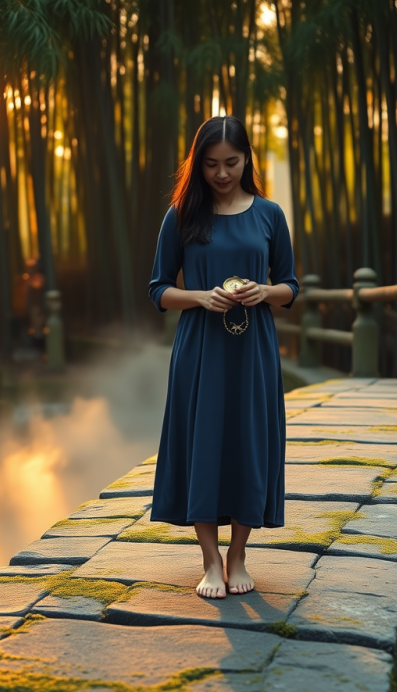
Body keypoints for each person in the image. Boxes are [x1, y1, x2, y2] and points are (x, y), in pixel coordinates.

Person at [148, 116, 299, 599]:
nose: (221, 173)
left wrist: (264, 290)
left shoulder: (269, 214)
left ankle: (238, 554)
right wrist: (199, 297)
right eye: (210, 164)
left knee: (248, 441)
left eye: (231, 162)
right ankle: (210, 560)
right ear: (198, 164)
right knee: (204, 442)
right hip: (201, 347)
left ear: (247, 158)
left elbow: (291, 287)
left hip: (253, 347)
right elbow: (158, 289)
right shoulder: (182, 215)